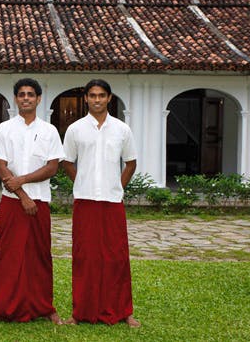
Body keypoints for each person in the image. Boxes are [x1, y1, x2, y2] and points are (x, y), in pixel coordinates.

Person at [0, 78, 64, 324]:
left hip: (40, 201)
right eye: (22, 94)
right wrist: (22, 195)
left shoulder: (49, 131)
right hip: (12, 202)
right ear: (15, 98)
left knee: (40, 255)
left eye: (31, 94)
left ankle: (45, 306)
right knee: (6, 254)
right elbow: (0, 165)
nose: (26, 98)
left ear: (38, 99)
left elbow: (53, 167)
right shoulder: (4, 129)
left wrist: (22, 180)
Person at [61, 79, 140, 327]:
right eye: (92, 95)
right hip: (85, 201)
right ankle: (80, 312)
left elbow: (131, 163)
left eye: (101, 95)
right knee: (84, 256)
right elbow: (67, 162)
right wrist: (81, 181)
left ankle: (123, 311)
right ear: (86, 98)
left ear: (109, 98)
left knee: (116, 257)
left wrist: (117, 185)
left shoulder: (122, 130)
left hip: (112, 201)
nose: (97, 99)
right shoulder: (75, 129)